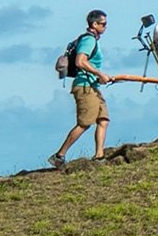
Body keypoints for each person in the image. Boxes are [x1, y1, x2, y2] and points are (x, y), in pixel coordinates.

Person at [49, 9, 116, 167]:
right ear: (94, 24)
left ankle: (99, 156)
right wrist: (99, 73)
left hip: (91, 85)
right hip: (84, 86)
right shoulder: (89, 40)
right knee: (84, 123)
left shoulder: (91, 40)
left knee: (103, 120)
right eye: (103, 24)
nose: (106, 27)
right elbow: (80, 61)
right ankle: (59, 156)